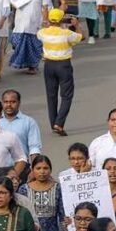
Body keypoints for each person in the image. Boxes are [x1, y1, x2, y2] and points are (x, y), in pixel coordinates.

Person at [39, 8, 83, 136]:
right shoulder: (67, 33)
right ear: (61, 19)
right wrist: (77, 25)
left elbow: (40, 33)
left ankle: (53, 123)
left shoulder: (43, 33)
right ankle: (59, 122)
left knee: (51, 95)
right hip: (63, 65)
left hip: (49, 65)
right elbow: (80, 37)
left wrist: (46, 24)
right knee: (66, 95)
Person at [10, 0, 46, 69]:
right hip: (20, 23)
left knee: (33, 46)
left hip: (34, 23)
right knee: (17, 43)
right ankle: (21, 63)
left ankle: (33, 66)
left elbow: (45, 7)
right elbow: (13, 5)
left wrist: (45, 21)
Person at [0, 89, 42, 167]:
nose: (9, 105)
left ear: (19, 103)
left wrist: (35, 168)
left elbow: (34, 148)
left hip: (21, 167)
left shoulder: (29, 122)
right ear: (2, 103)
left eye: (13, 102)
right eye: (6, 102)